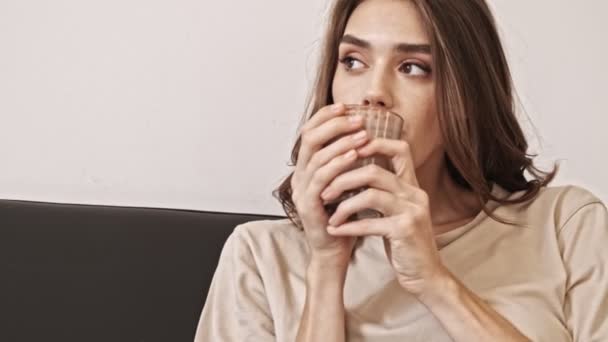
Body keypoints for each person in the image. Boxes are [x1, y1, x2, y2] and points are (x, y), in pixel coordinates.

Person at [194, 0, 608, 341]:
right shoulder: (260, 256)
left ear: (465, 97)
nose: (373, 92)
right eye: (353, 61)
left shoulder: (565, 225)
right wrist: (326, 266)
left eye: (412, 66)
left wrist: (434, 280)